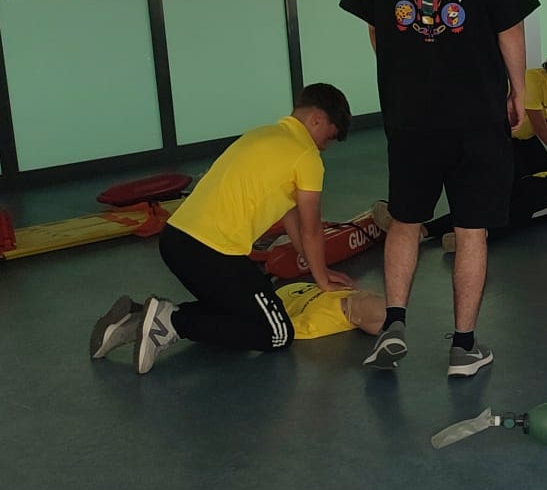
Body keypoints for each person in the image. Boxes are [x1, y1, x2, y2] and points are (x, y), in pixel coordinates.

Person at [341, 0, 540, 377]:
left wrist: (406, 71)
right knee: (471, 229)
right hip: (475, 112)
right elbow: (509, 25)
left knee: (405, 219)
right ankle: (463, 347)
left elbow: (377, 26)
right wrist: (518, 91)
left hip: (410, 114)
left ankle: (394, 325)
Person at [89, 84, 356, 374]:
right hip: (212, 253)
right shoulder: (306, 155)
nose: (323, 147)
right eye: (327, 138)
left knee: (238, 312)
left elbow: (291, 212)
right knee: (277, 333)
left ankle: (137, 318)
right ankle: (171, 322)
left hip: (175, 242)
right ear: (317, 118)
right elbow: (312, 227)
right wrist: (323, 279)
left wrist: (309, 260)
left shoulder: (263, 134)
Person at [372, 153, 547, 251]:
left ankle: (474, 237)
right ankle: (424, 230)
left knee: (514, 214)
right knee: (481, 203)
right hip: (535, 179)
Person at [276, 281, 387, 341]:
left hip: (296, 287)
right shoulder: (315, 325)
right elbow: (281, 328)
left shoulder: (347, 290)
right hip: (280, 300)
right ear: (357, 320)